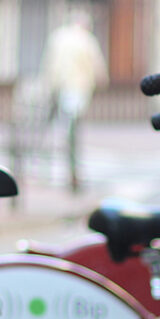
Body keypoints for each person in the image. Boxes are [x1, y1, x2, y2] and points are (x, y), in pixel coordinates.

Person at [42, 10, 108, 192]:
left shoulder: (58, 37)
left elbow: (50, 64)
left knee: (62, 129)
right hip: (77, 89)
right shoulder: (86, 40)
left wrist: (50, 85)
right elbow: (97, 65)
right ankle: (72, 171)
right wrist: (101, 81)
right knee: (71, 131)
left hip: (61, 88)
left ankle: (66, 169)